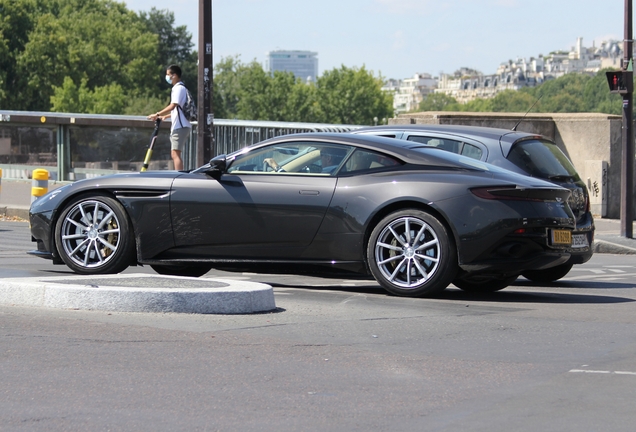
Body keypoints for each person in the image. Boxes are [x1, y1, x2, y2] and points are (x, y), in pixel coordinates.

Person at [147, 64, 191, 171]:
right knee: (175, 153)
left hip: (180, 126)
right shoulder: (180, 88)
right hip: (181, 125)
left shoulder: (178, 88)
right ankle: (180, 175)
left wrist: (157, 114)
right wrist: (165, 116)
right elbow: (177, 109)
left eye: (168, 75)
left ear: (174, 75)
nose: (167, 77)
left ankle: (180, 177)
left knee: (175, 154)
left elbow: (173, 105)